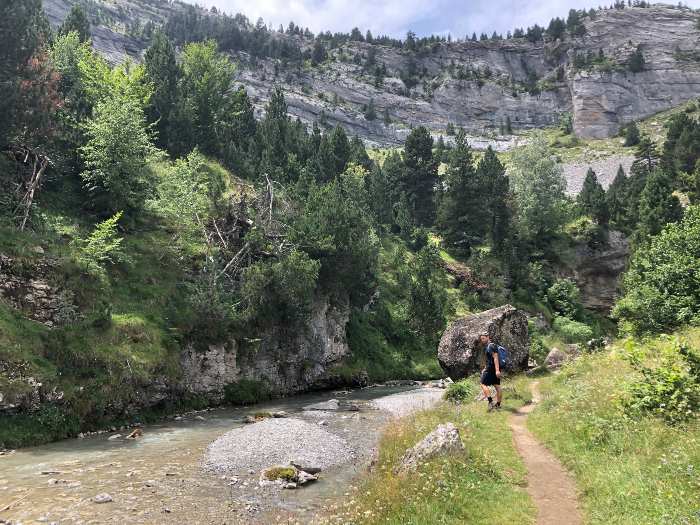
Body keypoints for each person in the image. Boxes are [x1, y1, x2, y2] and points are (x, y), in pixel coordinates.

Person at [479, 332, 502, 411]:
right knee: (497, 386)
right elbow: (490, 359)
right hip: (491, 368)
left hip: (491, 369)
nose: (482, 340)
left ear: (488, 337)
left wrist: (497, 370)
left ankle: (490, 401)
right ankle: (498, 405)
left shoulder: (491, 346)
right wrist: (485, 368)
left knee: (482, 383)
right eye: (481, 339)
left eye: (483, 338)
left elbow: (495, 358)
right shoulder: (489, 346)